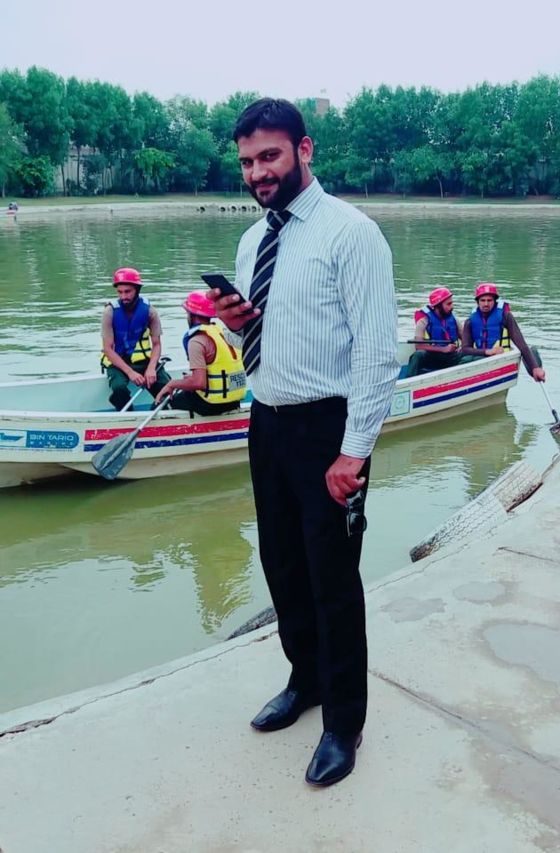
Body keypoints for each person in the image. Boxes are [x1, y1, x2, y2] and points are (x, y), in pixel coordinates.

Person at [209, 98, 398, 788]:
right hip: (267, 421)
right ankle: (306, 680)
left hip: (330, 428)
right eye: (247, 162)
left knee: (332, 579)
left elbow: (377, 353)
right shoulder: (251, 241)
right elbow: (262, 338)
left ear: (304, 149)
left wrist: (354, 451)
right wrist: (237, 324)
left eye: (270, 156)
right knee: (283, 565)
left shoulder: (352, 235)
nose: (258, 172)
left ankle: (344, 721)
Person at [154, 291, 246, 415]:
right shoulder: (223, 332)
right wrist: (190, 379)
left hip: (211, 404)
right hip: (234, 401)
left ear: (191, 315)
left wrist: (172, 384)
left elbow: (199, 383)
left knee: (159, 403)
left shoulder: (196, 341)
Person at [100, 267, 171, 410]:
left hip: (144, 362)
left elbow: (156, 344)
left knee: (166, 389)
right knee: (119, 388)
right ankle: (128, 414)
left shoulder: (150, 311)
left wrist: (151, 368)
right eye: (120, 292)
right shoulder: (109, 312)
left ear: (137, 290)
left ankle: (160, 410)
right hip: (117, 363)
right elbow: (107, 349)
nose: (123, 296)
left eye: (128, 291)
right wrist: (130, 372)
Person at [459, 283, 546, 381]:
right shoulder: (470, 321)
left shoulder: (506, 316)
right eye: (482, 300)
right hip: (480, 360)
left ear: (495, 301)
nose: (486, 304)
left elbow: (521, 344)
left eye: (489, 300)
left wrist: (535, 367)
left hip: (501, 360)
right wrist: (488, 352)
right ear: (477, 302)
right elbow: (465, 349)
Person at [406, 286, 463, 376]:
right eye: (448, 304)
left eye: (452, 303)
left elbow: (466, 339)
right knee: (418, 355)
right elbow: (418, 346)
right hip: (432, 357)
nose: (452, 307)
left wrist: (462, 347)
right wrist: (443, 349)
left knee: (467, 355)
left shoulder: (454, 320)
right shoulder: (423, 321)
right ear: (438, 306)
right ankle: (410, 380)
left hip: (451, 357)